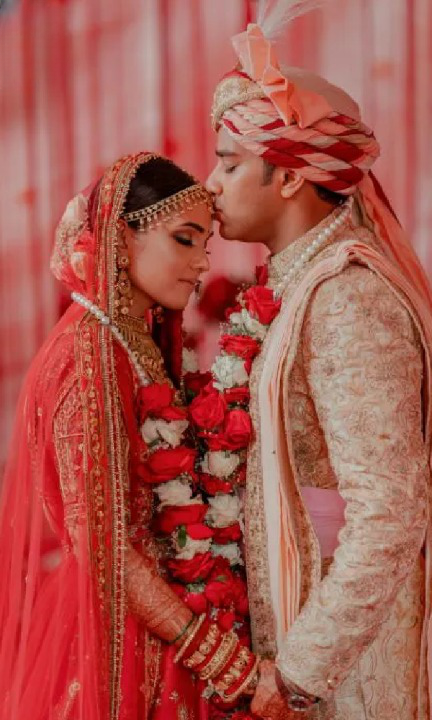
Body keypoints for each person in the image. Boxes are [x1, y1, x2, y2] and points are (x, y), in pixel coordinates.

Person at [198, 4, 432, 719]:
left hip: (346, 670)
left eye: (231, 164)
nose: (211, 183)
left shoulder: (347, 298)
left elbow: (390, 514)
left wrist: (299, 671)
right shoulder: (293, 284)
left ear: (292, 178)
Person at [0, 151, 260, 720]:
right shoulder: (84, 355)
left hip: (163, 622)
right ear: (120, 240)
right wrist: (212, 653)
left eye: (206, 246)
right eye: (184, 239)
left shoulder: (132, 341)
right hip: (118, 635)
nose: (200, 264)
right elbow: (101, 543)